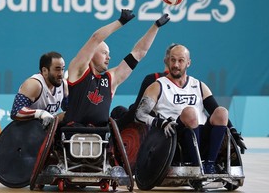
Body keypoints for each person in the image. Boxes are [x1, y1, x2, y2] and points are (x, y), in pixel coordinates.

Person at [135, 44, 247, 174]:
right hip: (175, 137)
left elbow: (217, 112)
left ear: (188, 63)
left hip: (202, 135)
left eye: (181, 60)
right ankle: (196, 166)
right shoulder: (157, 86)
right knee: (190, 112)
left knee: (222, 111)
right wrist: (160, 122)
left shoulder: (198, 85)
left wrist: (233, 132)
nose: (176, 65)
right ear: (168, 61)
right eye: (173, 60)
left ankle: (210, 165)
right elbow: (139, 114)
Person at [62, 9, 170, 128]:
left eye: (109, 53)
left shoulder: (111, 79)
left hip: (102, 136)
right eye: (104, 53)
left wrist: (155, 27)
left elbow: (139, 52)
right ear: (92, 54)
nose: (109, 57)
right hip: (73, 134)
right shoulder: (78, 70)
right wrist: (120, 22)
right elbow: (95, 38)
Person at [110, 44, 180, 131]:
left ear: (165, 60)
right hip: (176, 124)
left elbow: (135, 112)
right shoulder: (192, 85)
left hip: (151, 127)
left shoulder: (154, 78)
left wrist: (114, 127)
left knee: (118, 110)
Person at [10, 51, 68, 126]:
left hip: (46, 130)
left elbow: (69, 110)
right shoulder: (34, 84)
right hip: (26, 132)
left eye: (62, 69)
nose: (61, 74)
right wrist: (42, 114)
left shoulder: (63, 85)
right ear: (45, 71)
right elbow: (16, 111)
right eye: (57, 69)